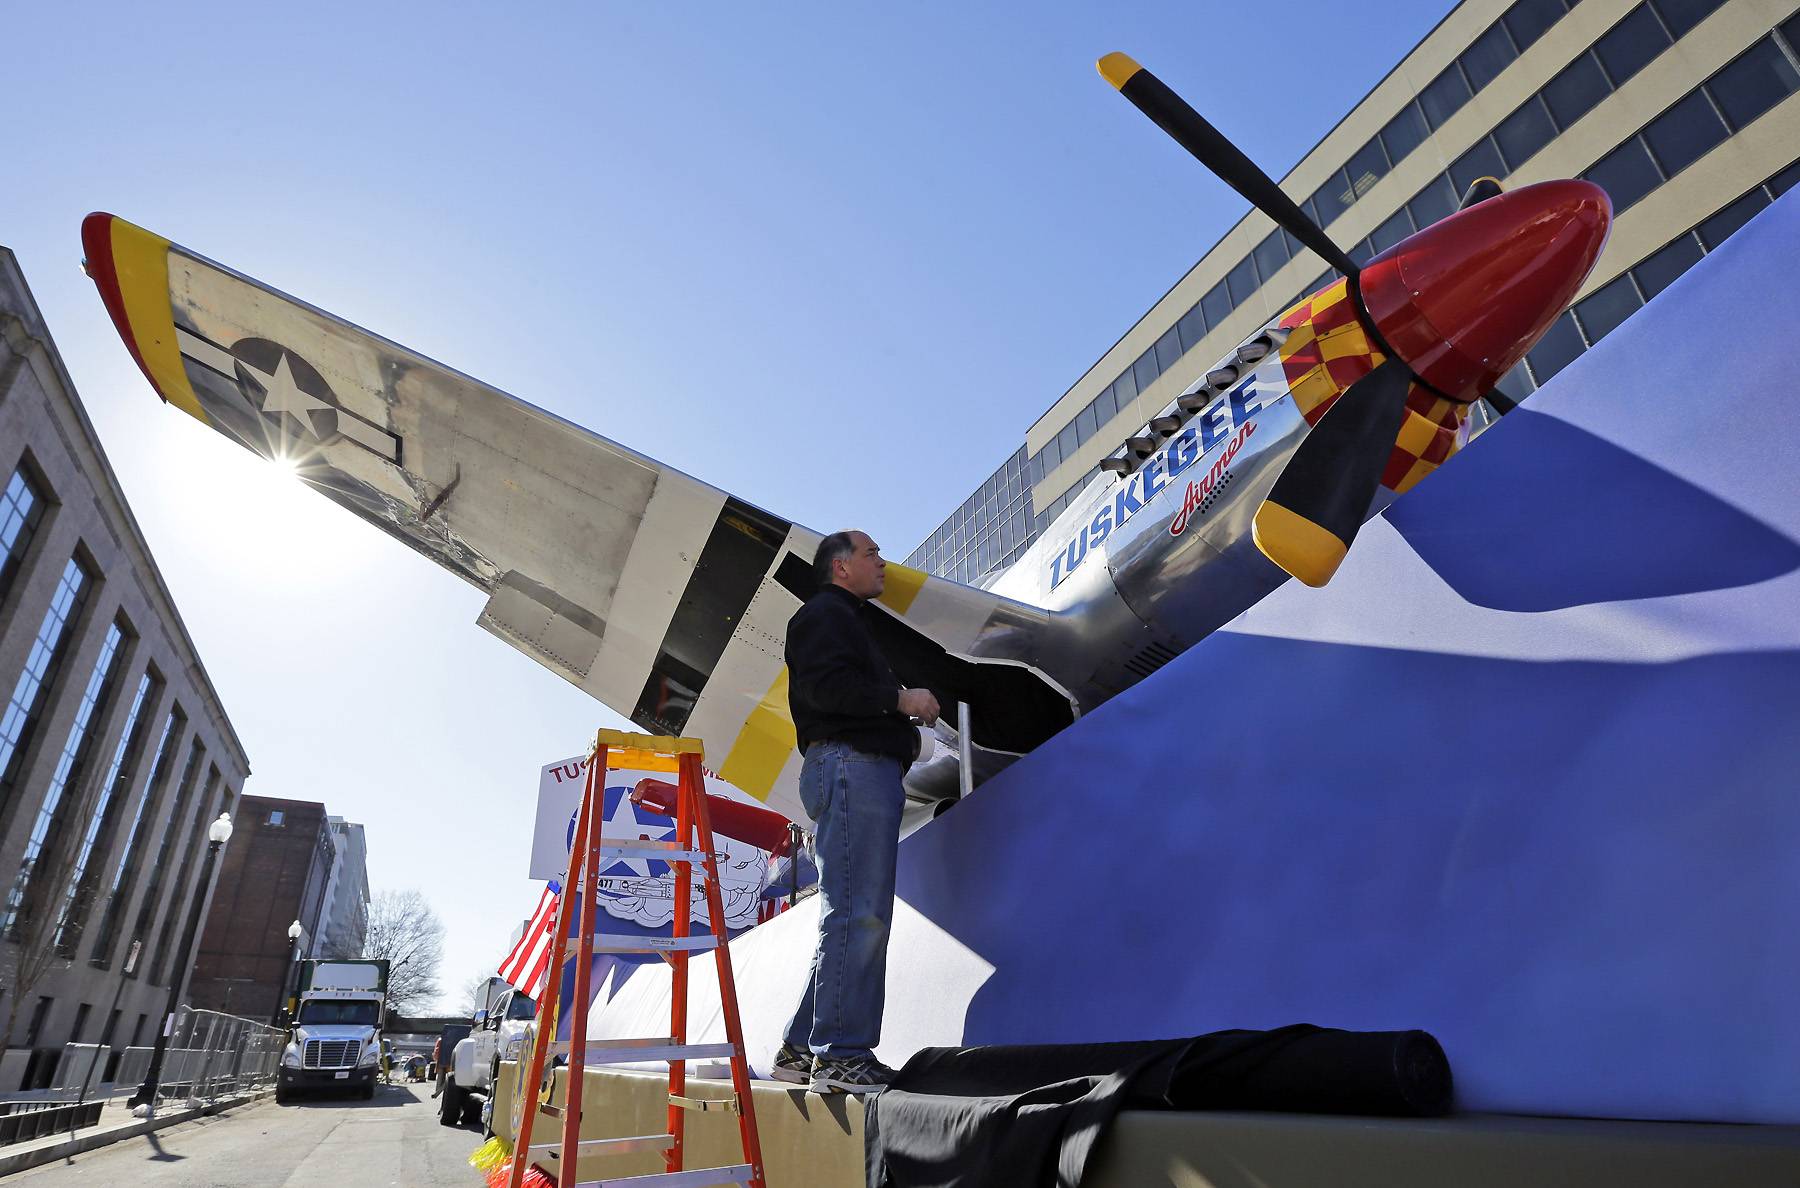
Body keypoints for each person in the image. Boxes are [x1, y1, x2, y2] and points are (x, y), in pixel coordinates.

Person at [769, 530, 939, 1095]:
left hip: (856, 769)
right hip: (852, 768)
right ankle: (841, 1057)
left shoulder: (841, 619)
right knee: (858, 915)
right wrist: (901, 700)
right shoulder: (824, 615)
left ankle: (802, 1049)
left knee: (853, 914)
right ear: (840, 568)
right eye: (872, 554)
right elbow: (828, 690)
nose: (882, 562)